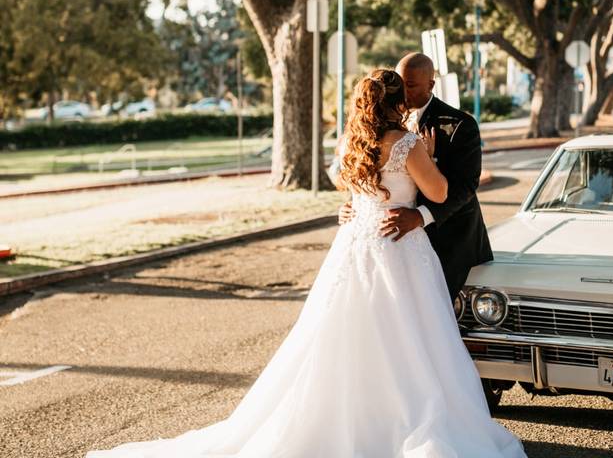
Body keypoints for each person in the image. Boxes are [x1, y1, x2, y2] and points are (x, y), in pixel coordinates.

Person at [86, 69, 525, 457]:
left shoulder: (352, 142)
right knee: (412, 339)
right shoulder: (407, 143)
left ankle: (350, 418)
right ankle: (395, 419)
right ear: (394, 102)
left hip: (356, 244)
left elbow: (348, 186)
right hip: (398, 248)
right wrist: (425, 155)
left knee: (349, 336)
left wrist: (356, 206)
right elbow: (443, 192)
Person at [340, 53, 492, 300]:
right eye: (399, 84)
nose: (402, 92)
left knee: (440, 317)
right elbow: (368, 169)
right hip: (389, 241)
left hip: (448, 239)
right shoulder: (370, 127)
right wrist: (355, 203)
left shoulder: (460, 125)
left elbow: (466, 186)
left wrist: (421, 216)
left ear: (430, 85)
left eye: (410, 85)